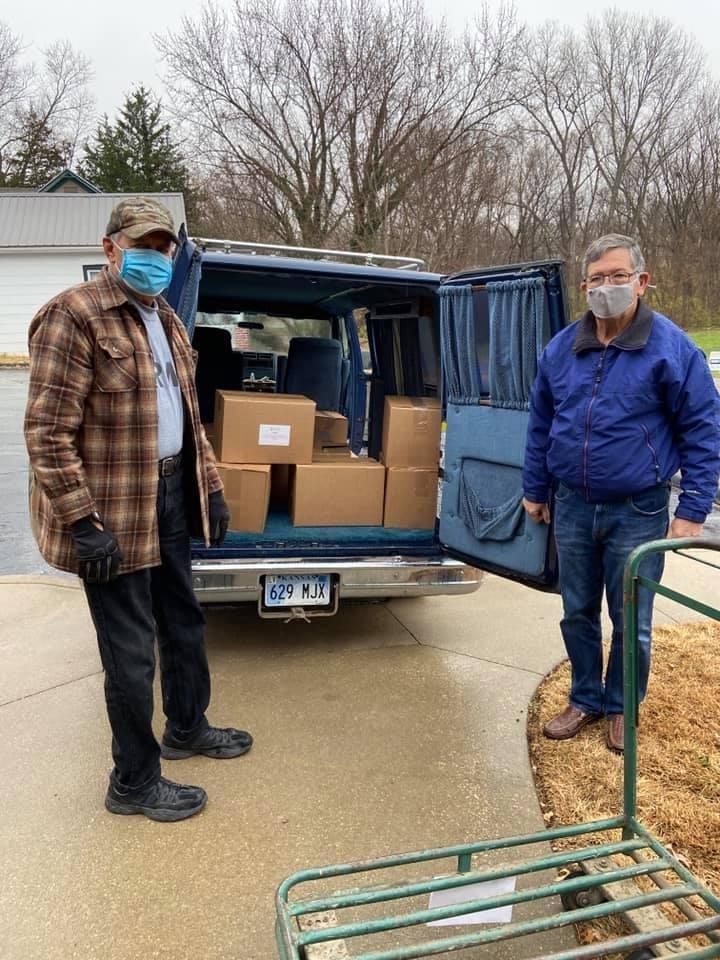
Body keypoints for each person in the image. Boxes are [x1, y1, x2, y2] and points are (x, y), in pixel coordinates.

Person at [24, 197, 252, 822]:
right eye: (142, 247)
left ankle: (187, 726)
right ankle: (133, 781)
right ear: (110, 249)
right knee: (130, 652)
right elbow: (46, 432)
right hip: (111, 512)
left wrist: (210, 487)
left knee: (184, 622)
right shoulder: (73, 316)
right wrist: (81, 522)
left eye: (163, 248)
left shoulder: (168, 319)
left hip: (171, 495)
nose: (155, 258)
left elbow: (189, 419)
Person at [522, 234, 720, 753]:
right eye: (596, 279)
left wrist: (693, 508)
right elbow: (541, 423)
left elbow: (703, 429)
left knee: (632, 618)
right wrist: (535, 487)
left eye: (617, 276)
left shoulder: (672, 349)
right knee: (576, 610)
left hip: (639, 507)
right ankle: (585, 697)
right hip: (572, 503)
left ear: (641, 281)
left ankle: (621, 706)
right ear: (583, 286)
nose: (605, 287)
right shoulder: (562, 348)